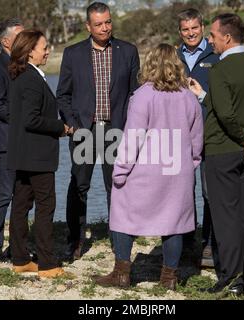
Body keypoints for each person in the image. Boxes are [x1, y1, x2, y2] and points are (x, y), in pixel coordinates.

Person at [92, 44, 203, 290]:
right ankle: (169, 278)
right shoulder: (188, 97)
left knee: (122, 213)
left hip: (146, 170)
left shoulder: (143, 95)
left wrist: (120, 170)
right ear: (177, 65)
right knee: (174, 221)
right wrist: (191, 163)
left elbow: (133, 138)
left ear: (150, 64)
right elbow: (197, 140)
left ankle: (121, 273)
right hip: (178, 171)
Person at [56, 2, 140, 260]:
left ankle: (119, 241)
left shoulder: (128, 51)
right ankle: (75, 240)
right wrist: (72, 124)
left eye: (108, 22)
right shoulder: (73, 53)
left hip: (117, 130)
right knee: (79, 186)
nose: (105, 28)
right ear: (88, 26)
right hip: (84, 131)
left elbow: (135, 94)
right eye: (99, 24)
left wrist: (132, 126)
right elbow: (63, 94)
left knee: (117, 186)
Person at [188, 14, 244, 296]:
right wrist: (204, 96)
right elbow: (241, 106)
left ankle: (230, 276)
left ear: (227, 38)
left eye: (212, 35)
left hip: (223, 150)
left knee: (224, 217)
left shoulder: (220, 68)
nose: (210, 40)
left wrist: (240, 136)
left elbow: (225, 114)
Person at [8, 30, 70, 278]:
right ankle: (47, 264)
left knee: (21, 205)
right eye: (44, 47)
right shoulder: (32, 79)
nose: (48, 50)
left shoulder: (22, 76)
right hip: (37, 156)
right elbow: (31, 119)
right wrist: (61, 128)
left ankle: (21, 258)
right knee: (45, 207)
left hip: (24, 154)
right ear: (30, 50)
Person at [176, 8, 219, 268]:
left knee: (209, 192)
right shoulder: (173, 56)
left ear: (202, 27)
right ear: (179, 31)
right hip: (180, 137)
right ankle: (184, 242)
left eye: (194, 28)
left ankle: (209, 244)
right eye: (185, 29)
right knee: (181, 192)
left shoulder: (217, 54)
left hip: (211, 134)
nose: (190, 33)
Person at [0, 18, 24, 261]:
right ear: (6, 41)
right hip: (6, 142)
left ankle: (18, 247)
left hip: (27, 142)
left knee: (22, 197)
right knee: (3, 195)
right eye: (20, 36)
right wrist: (25, 119)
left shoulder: (25, 66)